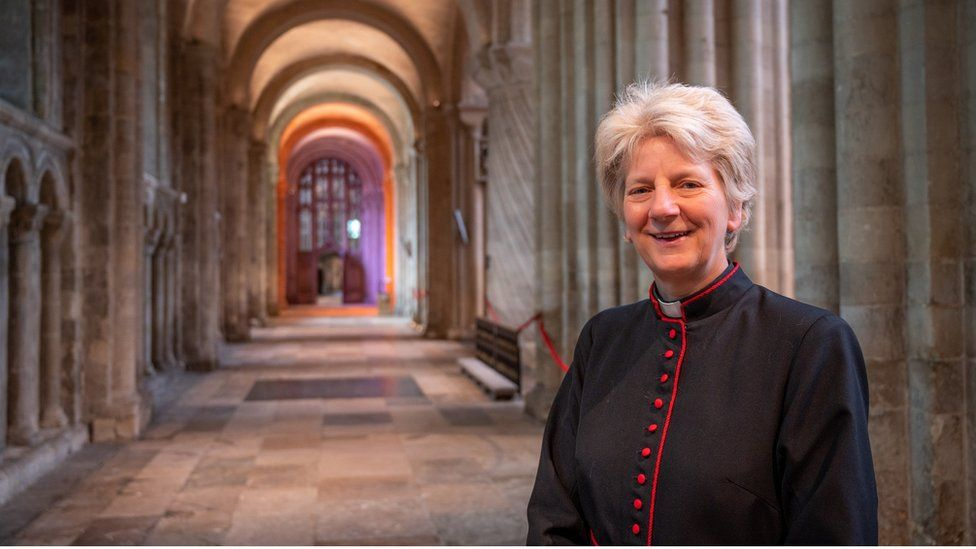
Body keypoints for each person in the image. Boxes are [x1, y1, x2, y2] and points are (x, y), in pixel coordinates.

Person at [526, 81, 877, 545]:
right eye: (640, 189)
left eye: (688, 183)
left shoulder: (811, 344)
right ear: (625, 220)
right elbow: (555, 515)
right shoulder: (602, 339)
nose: (663, 208)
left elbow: (835, 533)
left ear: (734, 206)